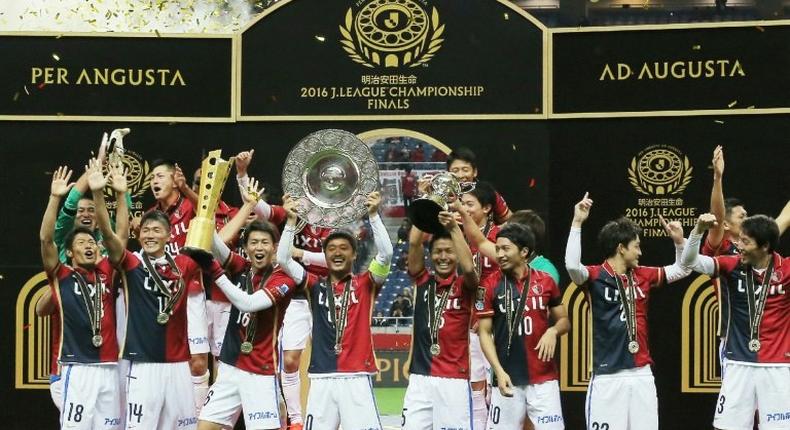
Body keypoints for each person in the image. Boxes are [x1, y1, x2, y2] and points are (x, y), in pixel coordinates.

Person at [564, 193, 690, 430]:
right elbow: (572, 266)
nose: (640, 253)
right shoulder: (593, 276)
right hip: (607, 376)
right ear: (621, 248)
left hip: (642, 374)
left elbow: (682, 269)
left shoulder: (643, 275)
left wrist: (679, 242)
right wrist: (577, 222)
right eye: (636, 247)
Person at [276, 191, 393, 429]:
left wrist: (373, 216)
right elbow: (285, 260)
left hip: (357, 377)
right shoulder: (313, 286)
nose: (337, 253)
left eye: (344, 248)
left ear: (355, 254)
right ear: (324, 255)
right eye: (331, 249)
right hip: (321, 379)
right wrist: (290, 222)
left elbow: (386, 254)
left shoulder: (367, 284)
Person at [235, 150, 329, 430]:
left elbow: (344, 258)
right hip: (296, 295)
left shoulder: (333, 219)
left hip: (326, 295)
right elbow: (259, 208)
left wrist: (301, 254)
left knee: (331, 357)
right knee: (289, 359)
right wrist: (242, 175)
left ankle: (325, 418)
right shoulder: (290, 215)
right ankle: (296, 420)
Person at [40, 162, 128, 429]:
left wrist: (121, 195)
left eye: (91, 242)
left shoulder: (107, 271)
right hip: (77, 368)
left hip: (110, 367)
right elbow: (46, 239)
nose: (88, 245)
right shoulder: (62, 275)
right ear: (70, 251)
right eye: (81, 243)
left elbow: (121, 235)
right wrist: (55, 198)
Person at [682, 213, 789, 430]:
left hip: (778, 367)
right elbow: (689, 261)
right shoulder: (730, 265)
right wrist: (697, 231)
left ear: (765, 246)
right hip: (738, 364)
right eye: (739, 239)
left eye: (745, 241)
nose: (738, 245)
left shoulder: (786, 270)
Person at [196, 219, 298, 430]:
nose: (258, 247)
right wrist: (205, 211)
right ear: (245, 248)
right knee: (205, 427)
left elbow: (248, 303)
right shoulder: (241, 268)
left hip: (260, 372)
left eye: (264, 242)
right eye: (253, 242)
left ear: (275, 248)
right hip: (230, 367)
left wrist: (216, 272)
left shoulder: (284, 280)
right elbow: (215, 245)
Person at [477, 223, 570, 430]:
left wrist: (553, 331)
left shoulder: (546, 282)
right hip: (507, 378)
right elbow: (484, 332)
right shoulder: (489, 286)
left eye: (505, 248)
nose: (499, 254)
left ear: (524, 251)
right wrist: (498, 371)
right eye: (498, 248)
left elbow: (564, 320)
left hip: (544, 380)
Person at [402, 210, 478, 429]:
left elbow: (470, 268)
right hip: (420, 378)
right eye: (437, 252)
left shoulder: (465, 285)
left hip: (454, 379)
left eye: (448, 252)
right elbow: (415, 243)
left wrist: (455, 228)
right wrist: (428, 205)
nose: (443, 257)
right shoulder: (422, 280)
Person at [446, 147, 511, 223]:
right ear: (448, 173)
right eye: (455, 171)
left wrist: (494, 232)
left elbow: (509, 220)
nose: (460, 175)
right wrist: (447, 220)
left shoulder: (488, 193)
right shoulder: (442, 194)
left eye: (465, 170)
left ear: (475, 172)